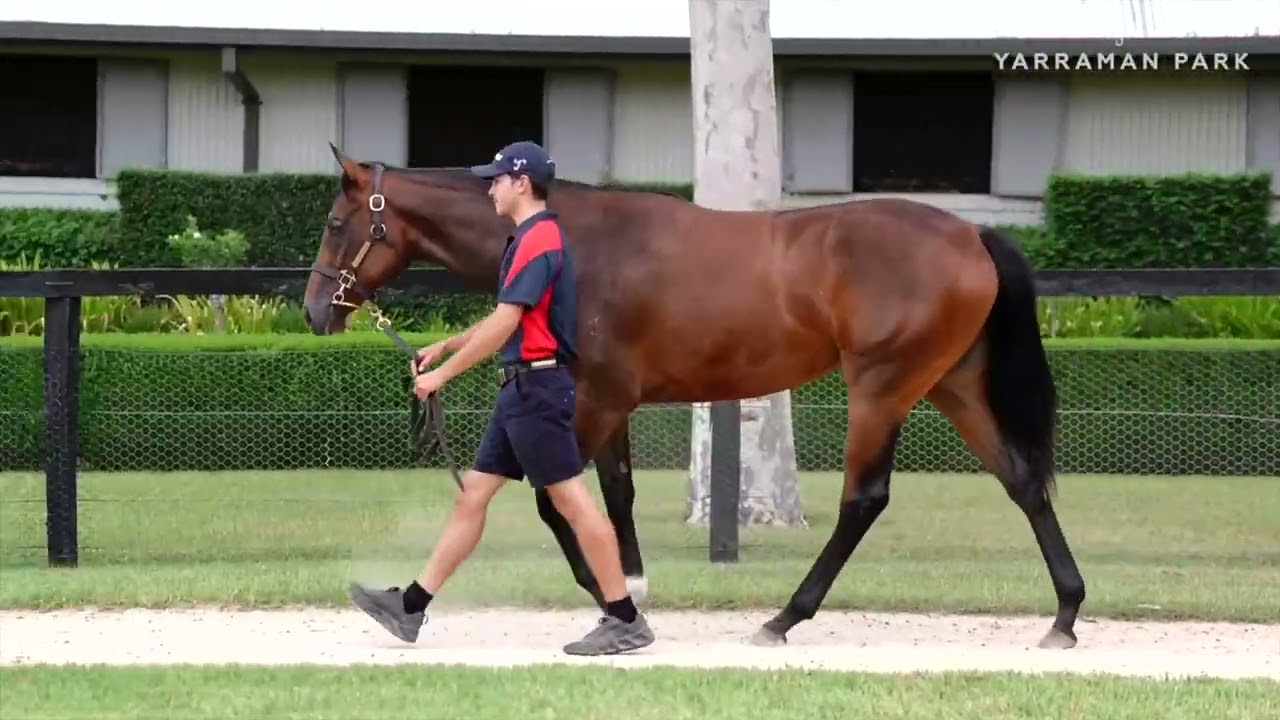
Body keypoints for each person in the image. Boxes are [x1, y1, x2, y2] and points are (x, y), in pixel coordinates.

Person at [346, 140, 655, 656]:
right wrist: (446, 344)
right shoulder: (527, 239)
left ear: (522, 183)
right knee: (474, 495)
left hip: (537, 390)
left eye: (496, 179)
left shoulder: (540, 239)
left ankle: (624, 617)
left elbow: (509, 321)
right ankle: (412, 608)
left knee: (573, 502)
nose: (489, 187)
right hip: (520, 390)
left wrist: (441, 376)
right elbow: (507, 317)